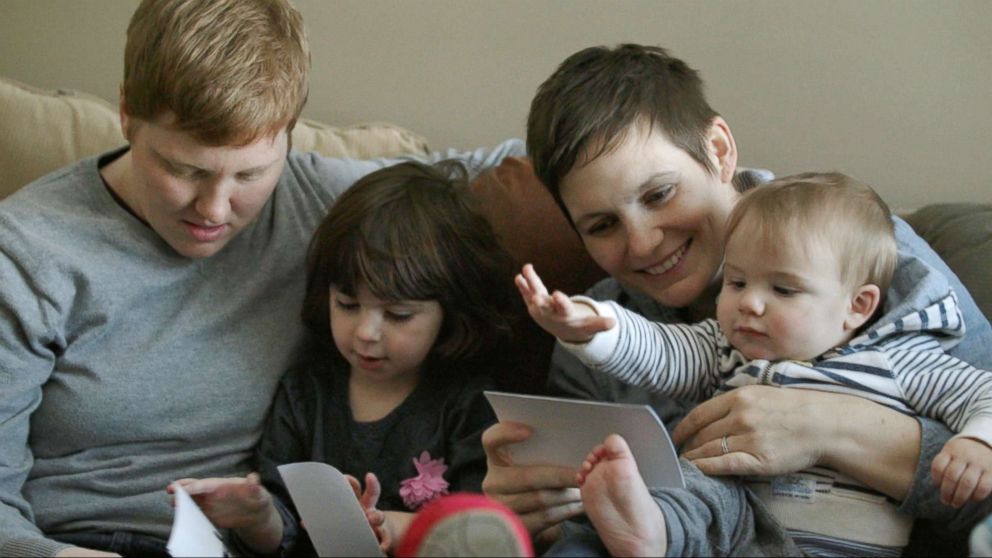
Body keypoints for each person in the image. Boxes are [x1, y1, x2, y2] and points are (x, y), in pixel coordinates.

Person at [0, 1, 523, 556]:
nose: (215, 210)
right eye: (185, 169)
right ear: (127, 112)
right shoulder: (29, 253)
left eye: (250, 173)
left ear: (290, 135)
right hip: (72, 542)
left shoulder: (317, 196)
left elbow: (497, 170)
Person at [480, 43, 992, 556]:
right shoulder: (597, 328)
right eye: (602, 225)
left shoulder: (860, 255)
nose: (641, 243)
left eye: (659, 194)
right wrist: (528, 511)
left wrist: (829, 428)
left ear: (720, 151)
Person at [516, 172, 992, 556]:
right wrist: (594, 325)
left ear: (858, 305)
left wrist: (977, 440)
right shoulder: (726, 349)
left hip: (843, 542)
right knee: (693, 490)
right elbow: (659, 350)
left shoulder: (898, 359)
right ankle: (650, 531)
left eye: (783, 290)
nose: (750, 305)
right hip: (734, 516)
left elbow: (982, 391)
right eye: (738, 283)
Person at [169, 161, 520, 556]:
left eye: (398, 315)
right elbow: (281, 535)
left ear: (452, 311)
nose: (365, 333)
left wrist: (390, 525)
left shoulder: (470, 404)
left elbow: (485, 525)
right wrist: (256, 514)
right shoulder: (306, 394)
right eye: (348, 304)